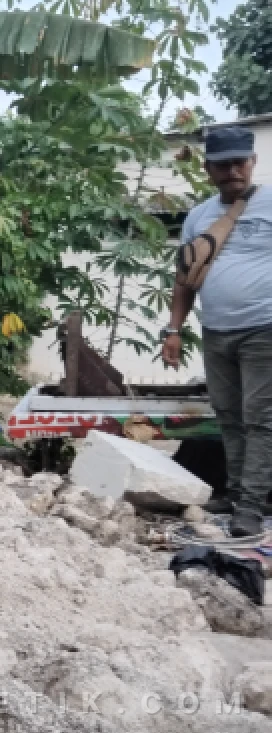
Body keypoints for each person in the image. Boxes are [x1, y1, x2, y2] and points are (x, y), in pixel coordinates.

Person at [162, 125, 272, 539]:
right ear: (208, 169)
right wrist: (173, 329)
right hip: (217, 330)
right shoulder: (199, 216)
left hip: (265, 327)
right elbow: (183, 279)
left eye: (239, 162)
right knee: (229, 415)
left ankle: (250, 506)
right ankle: (234, 490)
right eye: (222, 165)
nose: (232, 171)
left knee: (261, 419)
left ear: (252, 162)